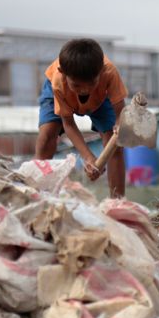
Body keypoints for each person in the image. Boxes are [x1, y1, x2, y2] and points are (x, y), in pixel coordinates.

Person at [35, 38, 127, 198]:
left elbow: (120, 113)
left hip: (100, 96)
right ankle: (37, 192)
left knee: (115, 144)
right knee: (47, 134)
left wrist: (119, 127)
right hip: (61, 92)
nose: (84, 90)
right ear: (64, 73)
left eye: (91, 84)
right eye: (77, 85)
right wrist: (88, 157)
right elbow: (69, 124)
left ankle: (117, 201)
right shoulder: (58, 81)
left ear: (101, 72)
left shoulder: (110, 73)